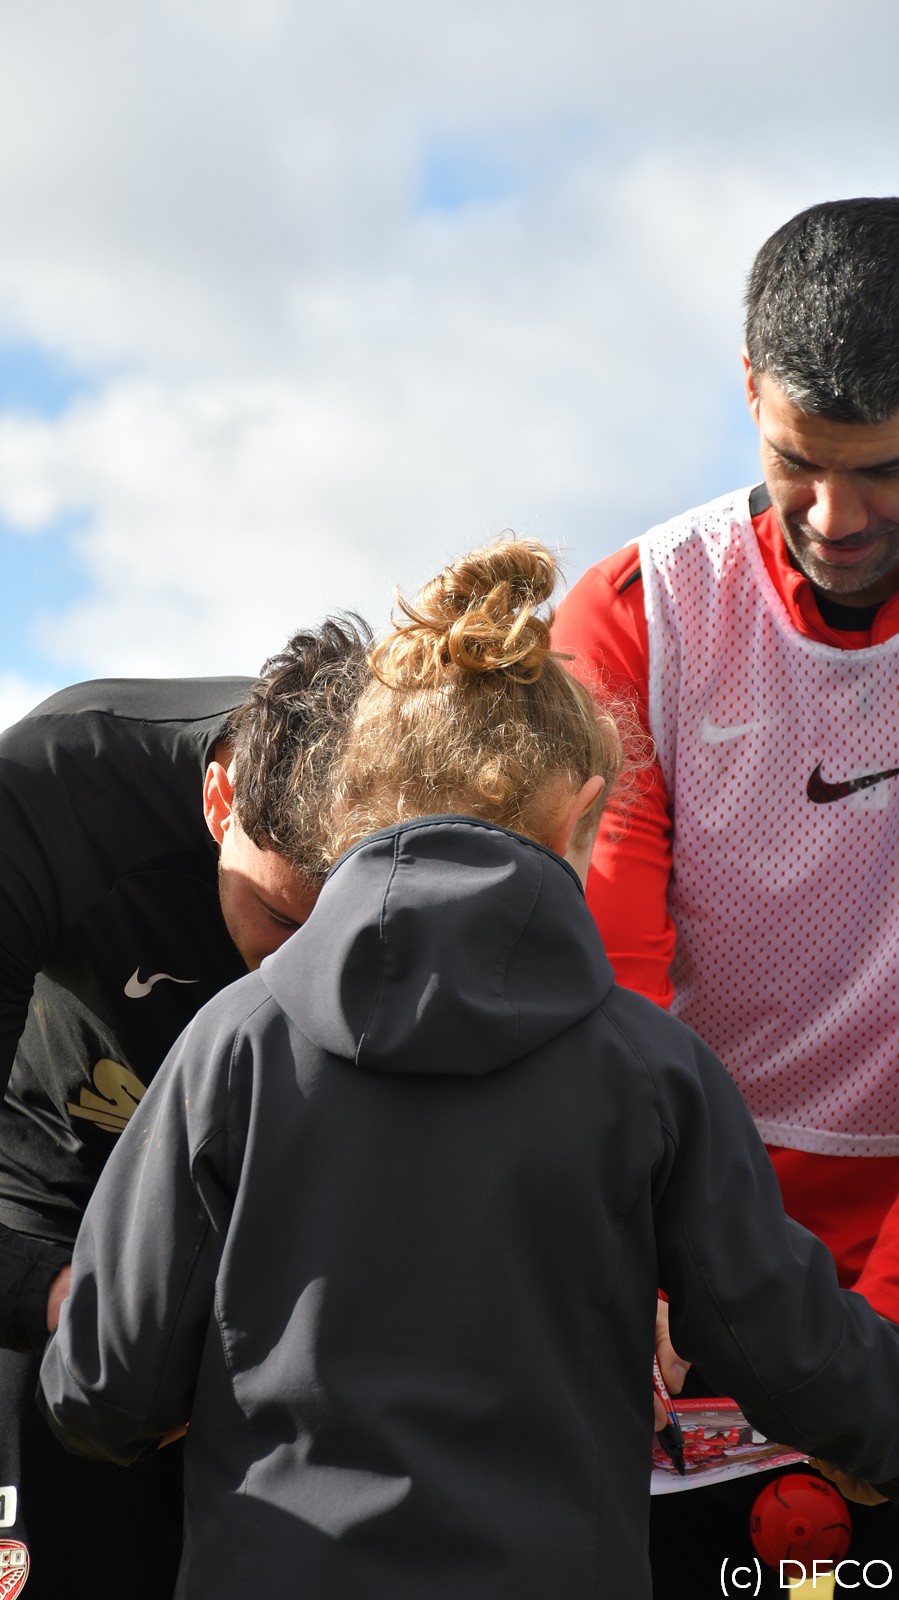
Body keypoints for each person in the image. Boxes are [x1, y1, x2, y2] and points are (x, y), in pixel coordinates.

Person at [37, 538, 899, 1600]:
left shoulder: (230, 1044)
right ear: (581, 813)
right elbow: (787, 1350)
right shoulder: (653, 1072)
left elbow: (103, 1385)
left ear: (346, 807)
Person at [551, 195, 899, 1590]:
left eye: (881, 471)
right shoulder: (633, 615)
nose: (836, 517)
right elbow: (606, 985)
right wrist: (645, 1260)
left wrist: (873, 1336)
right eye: (795, 463)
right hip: (695, 1219)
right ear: (746, 388)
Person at [0, 616, 370, 1599]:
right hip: (51, 1217)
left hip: (280, 1246)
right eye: (282, 918)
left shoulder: (424, 831)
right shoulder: (51, 789)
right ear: (219, 801)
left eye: (340, 937)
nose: (301, 974)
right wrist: (56, 1296)